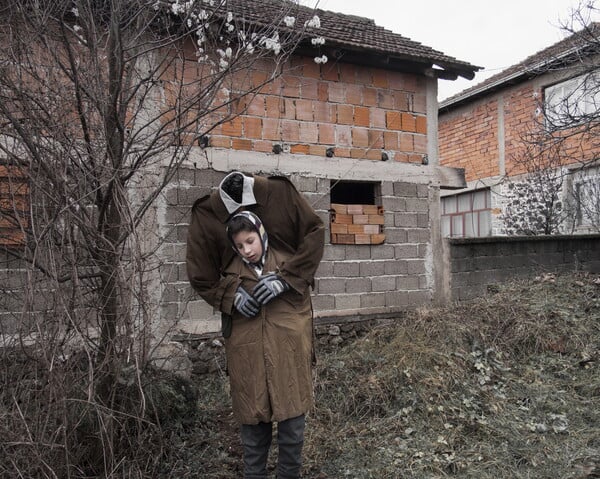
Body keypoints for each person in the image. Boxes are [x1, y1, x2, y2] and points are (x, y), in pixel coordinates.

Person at [186, 172, 324, 478]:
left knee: (292, 429)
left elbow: (314, 236)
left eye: (251, 240)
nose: (247, 249)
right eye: (240, 245)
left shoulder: (280, 199)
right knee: (253, 430)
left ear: (262, 232)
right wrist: (231, 297)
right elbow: (200, 275)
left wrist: (286, 280)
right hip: (247, 347)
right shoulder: (210, 223)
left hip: (287, 340)